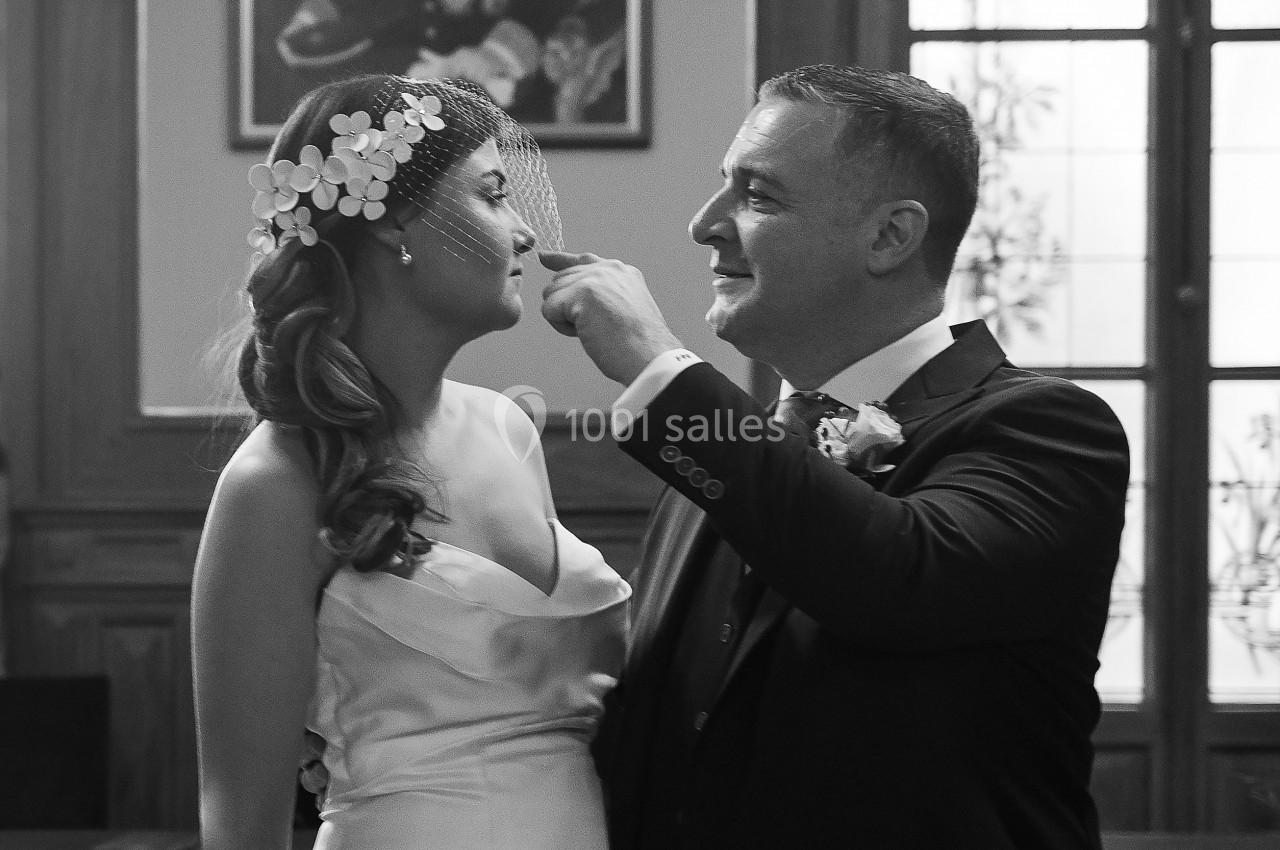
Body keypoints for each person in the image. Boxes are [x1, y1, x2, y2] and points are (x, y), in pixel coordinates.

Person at [538, 64, 1130, 849]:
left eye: (758, 195)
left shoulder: (1047, 431)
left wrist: (658, 364)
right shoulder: (725, 453)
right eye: (725, 186)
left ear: (890, 236)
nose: (704, 224)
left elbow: (897, 574)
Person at [190, 74, 629, 850]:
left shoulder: (507, 429)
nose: (525, 232)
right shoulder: (276, 486)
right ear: (397, 225)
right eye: (494, 195)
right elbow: (242, 825)